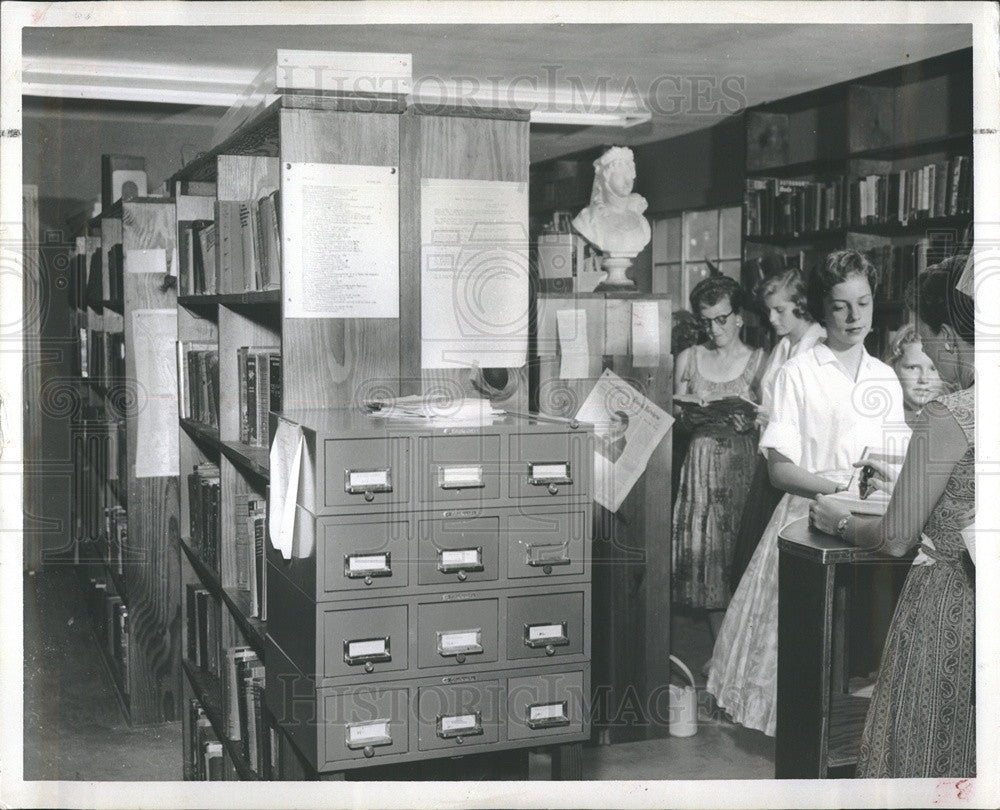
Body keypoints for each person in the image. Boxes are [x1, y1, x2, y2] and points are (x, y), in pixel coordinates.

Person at [706, 250, 909, 737]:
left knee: (860, 652)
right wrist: (840, 485)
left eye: (863, 302)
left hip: (870, 524)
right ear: (824, 308)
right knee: (805, 648)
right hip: (809, 523)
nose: (855, 316)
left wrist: (884, 480)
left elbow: (898, 459)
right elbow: (780, 470)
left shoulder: (884, 375)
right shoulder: (799, 373)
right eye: (841, 306)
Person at [811, 255, 974, 778]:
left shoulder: (948, 413)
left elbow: (897, 538)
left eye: (925, 336)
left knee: (926, 742)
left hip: (950, 602)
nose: (921, 348)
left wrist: (837, 520)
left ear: (949, 337)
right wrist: (908, 472)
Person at [671, 275, 764, 626]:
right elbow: (674, 422)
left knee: (739, 554)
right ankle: (716, 655)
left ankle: (735, 654)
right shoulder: (688, 358)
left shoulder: (760, 360)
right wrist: (688, 417)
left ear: (739, 316)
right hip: (699, 468)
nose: (714, 328)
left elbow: (771, 419)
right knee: (707, 560)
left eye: (722, 319)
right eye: (706, 321)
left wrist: (752, 422)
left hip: (741, 466)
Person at [729, 267, 826, 589]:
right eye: (768, 310)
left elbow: (821, 414)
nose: (771, 318)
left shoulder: (819, 346)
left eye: (780, 310)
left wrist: (773, 414)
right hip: (771, 455)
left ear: (802, 304)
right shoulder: (784, 345)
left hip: (799, 463)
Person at [571, 146, 651, 258]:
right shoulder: (587, 218)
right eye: (620, 175)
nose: (627, 181)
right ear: (606, 179)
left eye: (629, 176)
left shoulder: (641, 220)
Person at [884, 324, 952, 427]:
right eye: (912, 368)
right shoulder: (881, 417)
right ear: (893, 367)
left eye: (933, 369)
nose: (924, 379)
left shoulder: (956, 417)